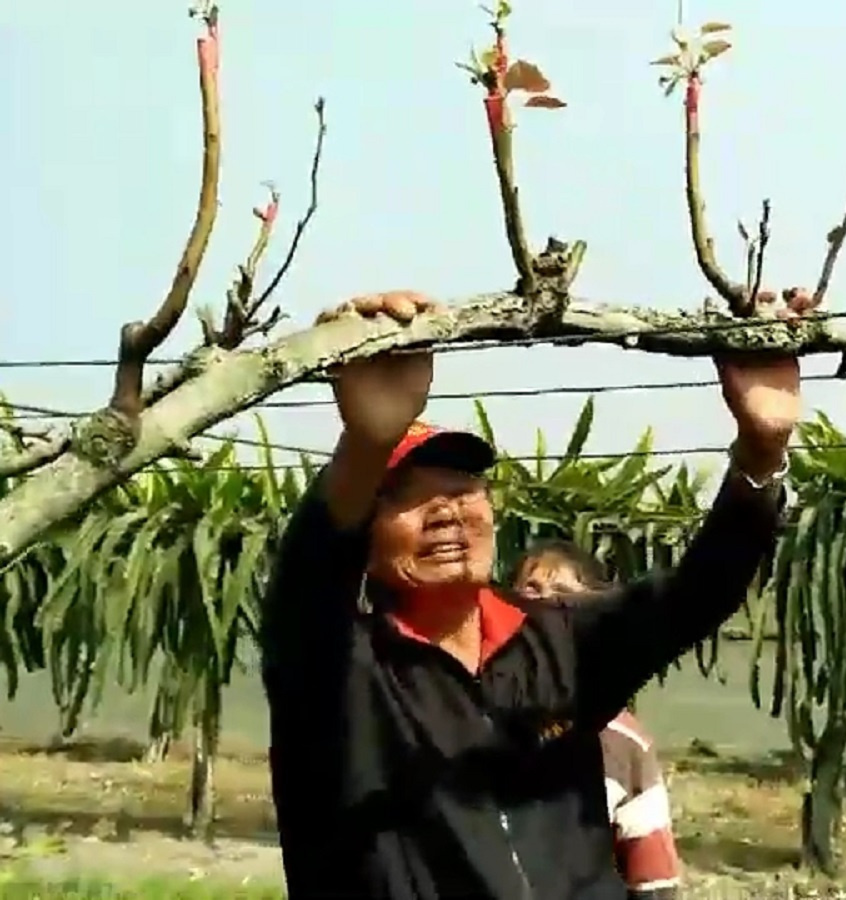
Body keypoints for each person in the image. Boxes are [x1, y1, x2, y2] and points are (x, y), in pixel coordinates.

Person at [261, 290, 800, 899]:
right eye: (410, 497)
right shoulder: (338, 671)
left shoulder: (559, 638)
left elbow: (698, 594)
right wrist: (363, 445)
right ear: (366, 535)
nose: (446, 512)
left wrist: (763, 448)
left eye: (463, 489)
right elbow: (308, 578)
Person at [513, 539, 682, 900]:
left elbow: (651, 874)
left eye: (562, 594)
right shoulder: (471, 711)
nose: (543, 604)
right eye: (531, 590)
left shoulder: (625, 742)